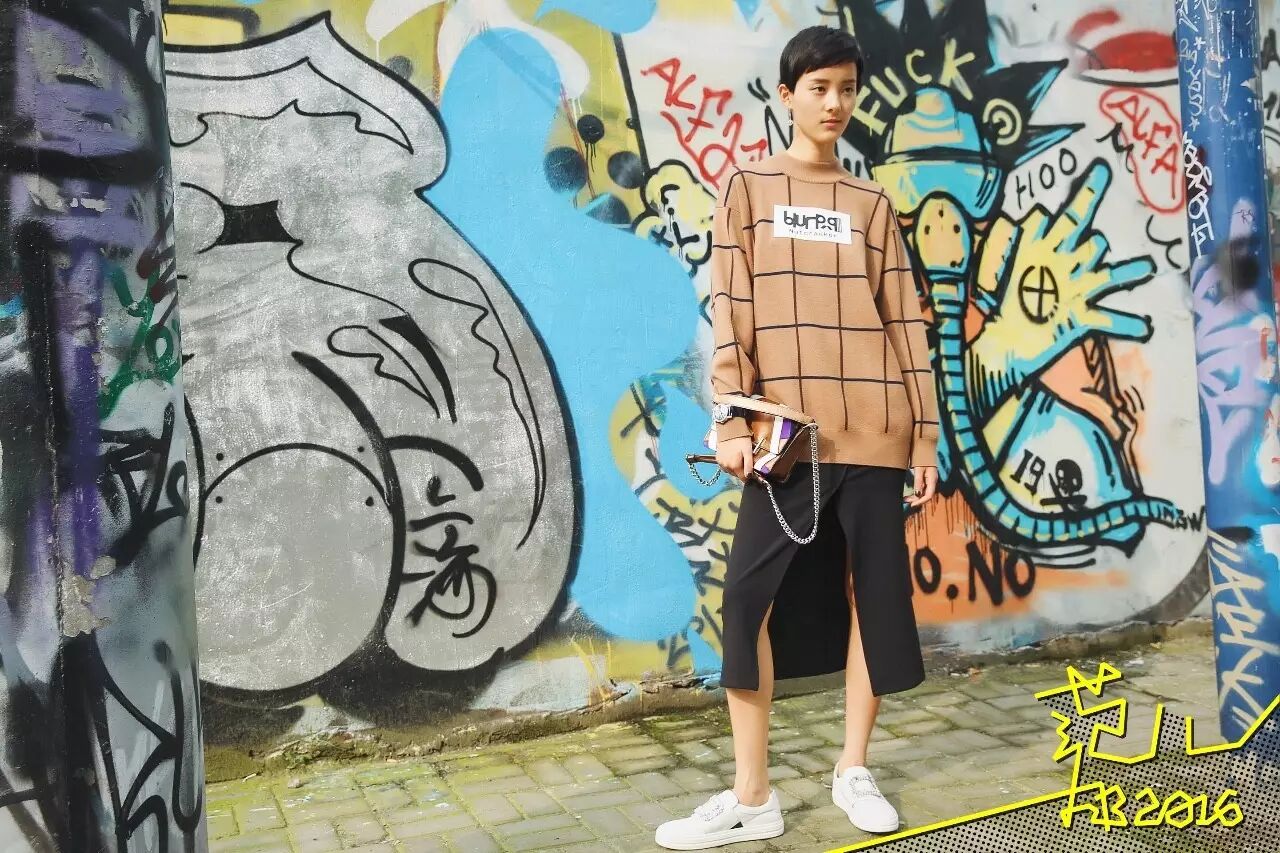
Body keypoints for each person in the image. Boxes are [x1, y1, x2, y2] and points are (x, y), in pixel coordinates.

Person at [655, 25, 940, 850]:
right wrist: (731, 417)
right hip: (788, 438)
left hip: (877, 432)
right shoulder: (747, 189)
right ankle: (753, 795)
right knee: (747, 602)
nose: (835, 102)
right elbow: (732, 311)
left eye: (847, 88)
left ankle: (853, 767)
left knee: (875, 600)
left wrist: (924, 439)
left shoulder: (872, 204)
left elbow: (906, 325)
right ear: (787, 95)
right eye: (819, 88)